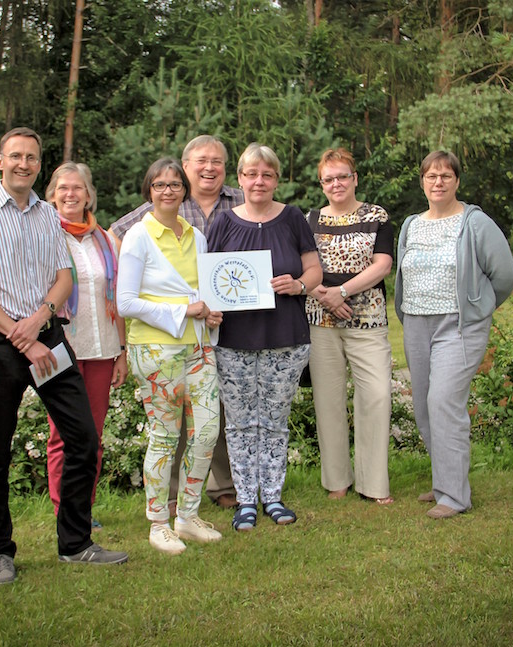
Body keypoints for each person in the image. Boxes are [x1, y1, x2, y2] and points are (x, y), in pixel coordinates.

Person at [0, 127, 128, 585]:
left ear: (38, 165)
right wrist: (18, 334)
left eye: (31, 157)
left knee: (83, 438)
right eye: (16, 156)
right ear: (0, 161)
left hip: (49, 339)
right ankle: (0, 554)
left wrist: (40, 320)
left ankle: (75, 543)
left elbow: (62, 278)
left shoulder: (49, 215)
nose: (24, 164)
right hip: (0, 344)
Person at [111, 135, 241, 513]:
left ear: (183, 190)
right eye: (160, 184)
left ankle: (189, 512)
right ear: (150, 190)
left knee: (205, 431)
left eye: (173, 185)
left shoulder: (197, 236)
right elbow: (126, 301)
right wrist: (187, 309)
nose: (168, 191)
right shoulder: (138, 233)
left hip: (199, 346)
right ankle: (159, 515)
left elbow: (200, 290)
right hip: (157, 348)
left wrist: (209, 313)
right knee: (166, 435)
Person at [394, 150, 513, 519]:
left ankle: (454, 496)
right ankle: (443, 482)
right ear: (422, 182)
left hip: (459, 325)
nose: (438, 182)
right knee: (423, 407)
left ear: (457, 181)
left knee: (444, 401)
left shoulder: (474, 223)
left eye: (446, 176)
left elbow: (505, 275)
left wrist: (480, 308)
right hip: (417, 323)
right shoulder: (411, 225)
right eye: (431, 176)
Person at [207, 143, 322, 531]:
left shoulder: (292, 219)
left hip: (285, 336)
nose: (259, 181)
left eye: (267, 174)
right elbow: (210, 279)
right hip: (234, 339)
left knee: (275, 419)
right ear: (240, 179)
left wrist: (299, 285)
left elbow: (314, 271)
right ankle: (245, 500)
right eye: (251, 174)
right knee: (238, 423)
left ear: (276, 179)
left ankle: (272, 495)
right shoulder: (222, 222)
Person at [305, 148, 395, 505]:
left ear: (355, 178)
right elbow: (301, 266)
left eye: (343, 176)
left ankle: (373, 484)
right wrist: (324, 296)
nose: (336, 183)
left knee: (376, 396)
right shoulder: (309, 219)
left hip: (368, 321)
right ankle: (337, 481)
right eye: (329, 179)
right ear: (322, 183)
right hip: (319, 323)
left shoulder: (376, 215)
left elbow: (383, 264)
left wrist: (341, 292)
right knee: (328, 402)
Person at [43, 162, 127, 529]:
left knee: (92, 434)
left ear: (88, 195)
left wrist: (122, 350)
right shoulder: (44, 235)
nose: (70, 195)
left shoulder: (105, 240)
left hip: (102, 348)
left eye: (77, 188)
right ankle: (64, 507)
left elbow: (118, 295)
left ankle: (84, 508)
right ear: (52, 195)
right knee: (62, 433)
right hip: (59, 348)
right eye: (63, 188)